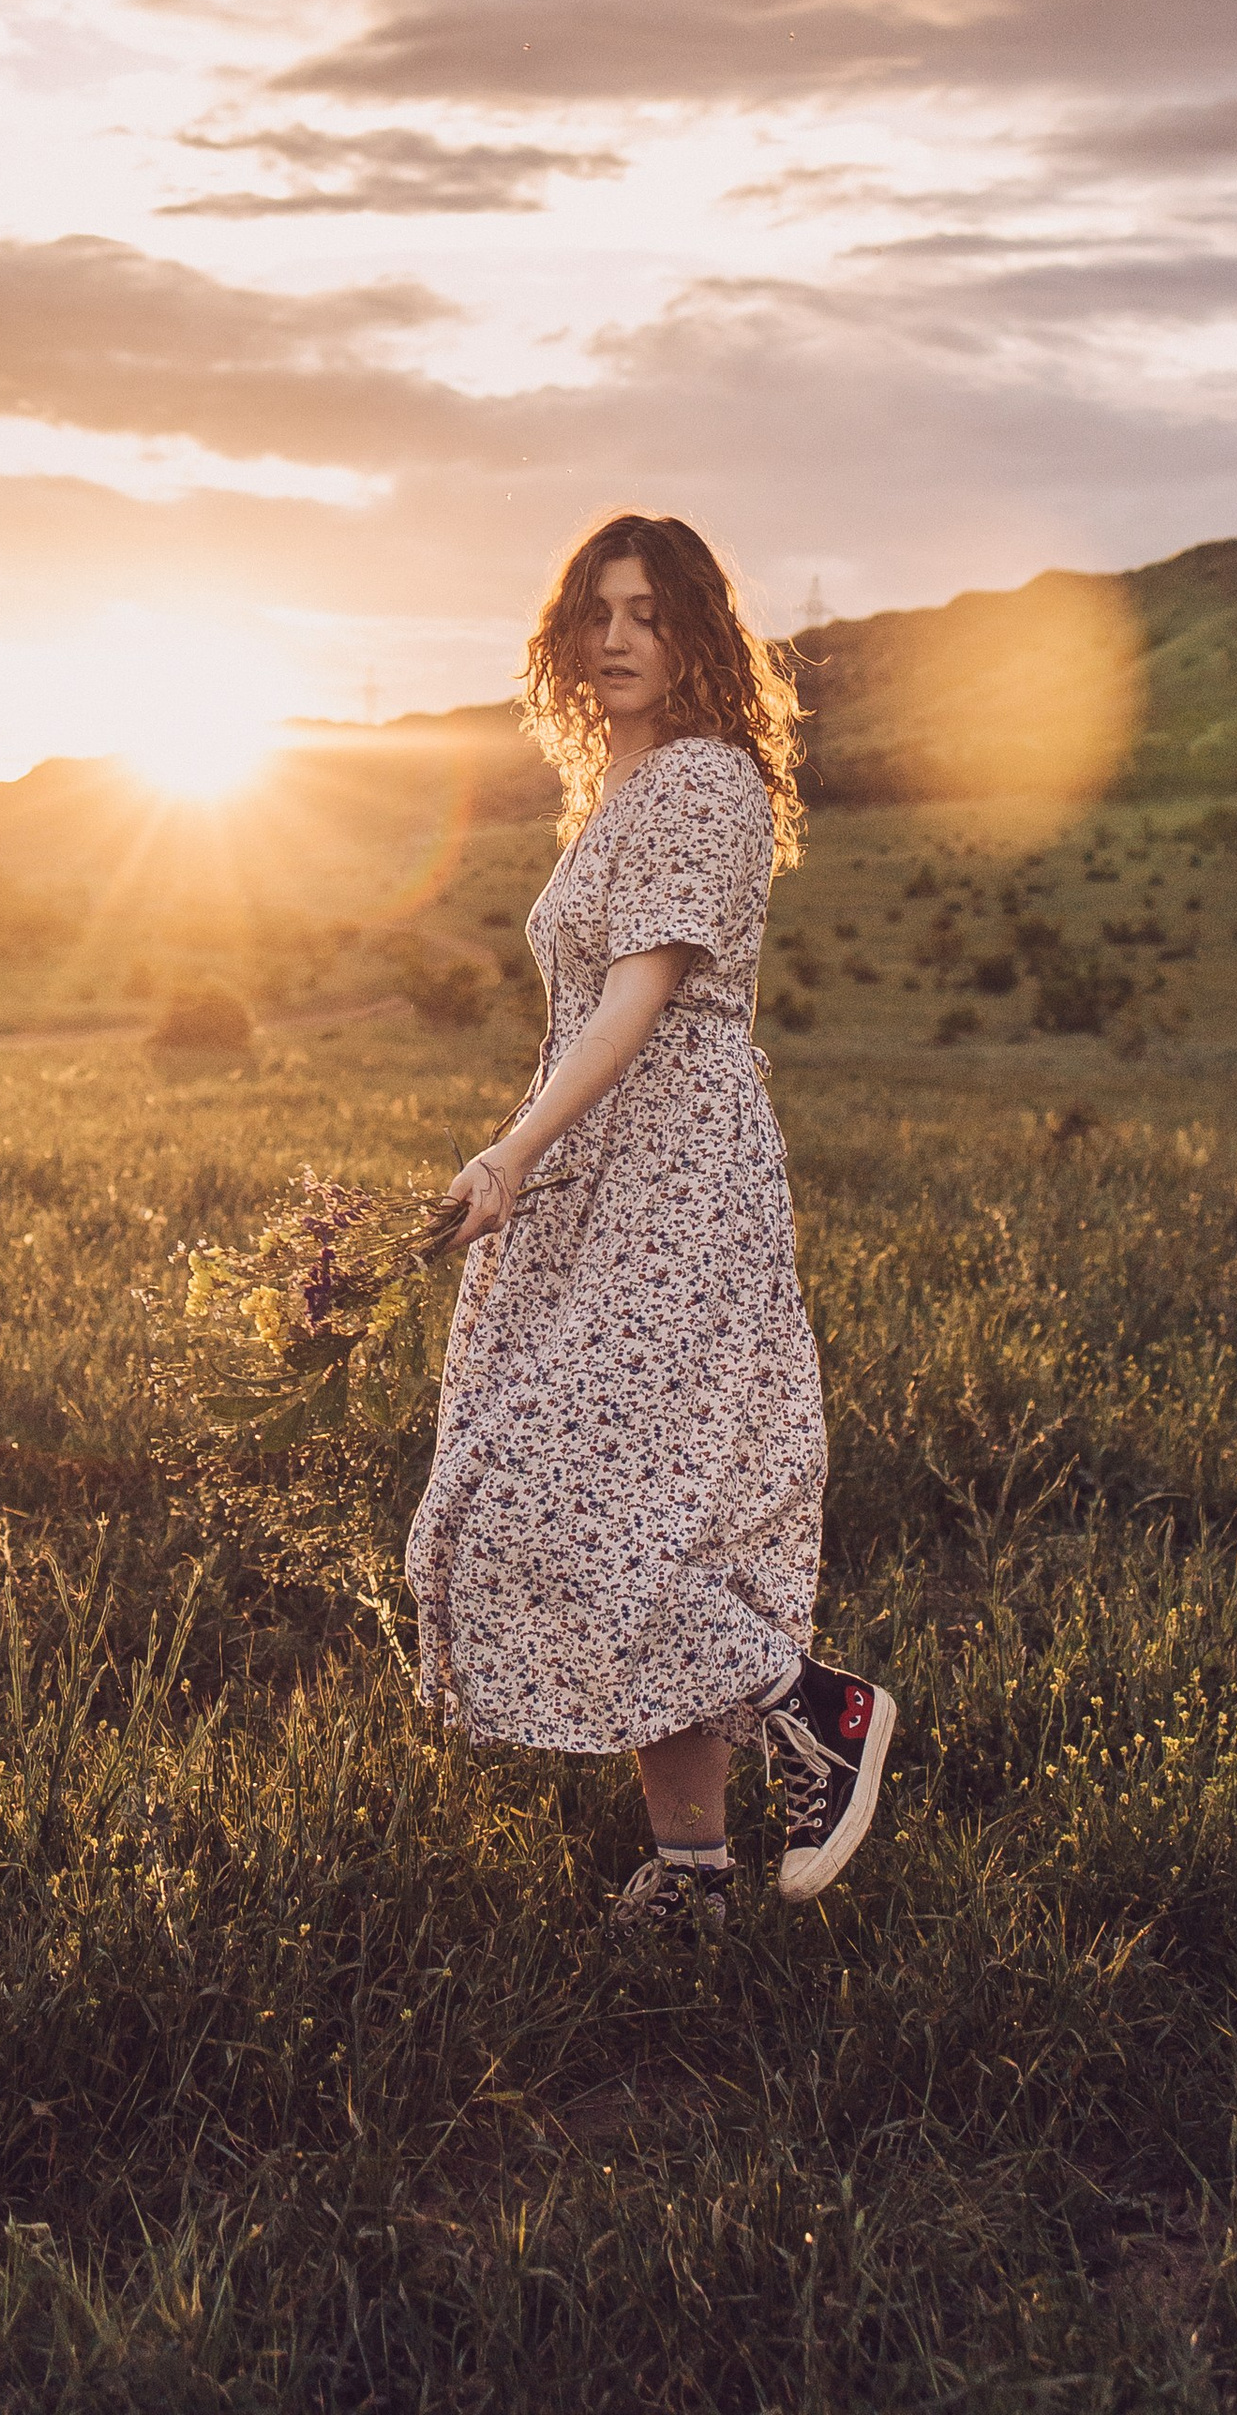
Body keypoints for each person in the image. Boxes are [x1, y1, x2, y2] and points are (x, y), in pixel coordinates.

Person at [405, 511, 895, 1925]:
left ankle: (817, 1709)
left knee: (565, 1504)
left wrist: (512, 1148)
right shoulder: (614, 792)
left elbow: (640, 996)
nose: (617, 640)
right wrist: (526, 1175)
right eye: (597, 614)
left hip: (673, 1181)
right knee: (612, 1506)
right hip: (585, 1178)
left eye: (649, 614)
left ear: (698, 638)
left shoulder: (699, 783)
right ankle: (693, 1870)